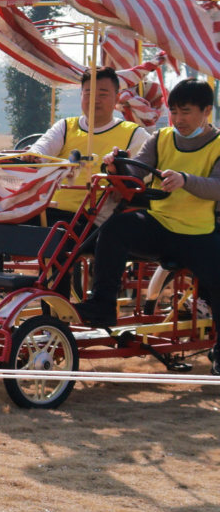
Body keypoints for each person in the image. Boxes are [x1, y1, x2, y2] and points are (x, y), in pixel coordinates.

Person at [78, 78, 220, 350]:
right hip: (160, 225)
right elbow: (135, 173)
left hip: (198, 233)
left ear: (207, 111)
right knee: (115, 228)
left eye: (186, 111)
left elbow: (217, 187)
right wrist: (115, 167)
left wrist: (185, 180)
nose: (178, 119)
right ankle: (102, 306)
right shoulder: (161, 138)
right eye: (173, 111)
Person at [23, 67, 147, 228]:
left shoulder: (135, 134)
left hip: (90, 219)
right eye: (88, 94)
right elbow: (43, 147)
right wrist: (34, 154)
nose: (95, 100)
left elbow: (147, 171)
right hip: (47, 208)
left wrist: (124, 186)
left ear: (116, 99)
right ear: (81, 96)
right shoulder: (66, 127)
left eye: (102, 94)